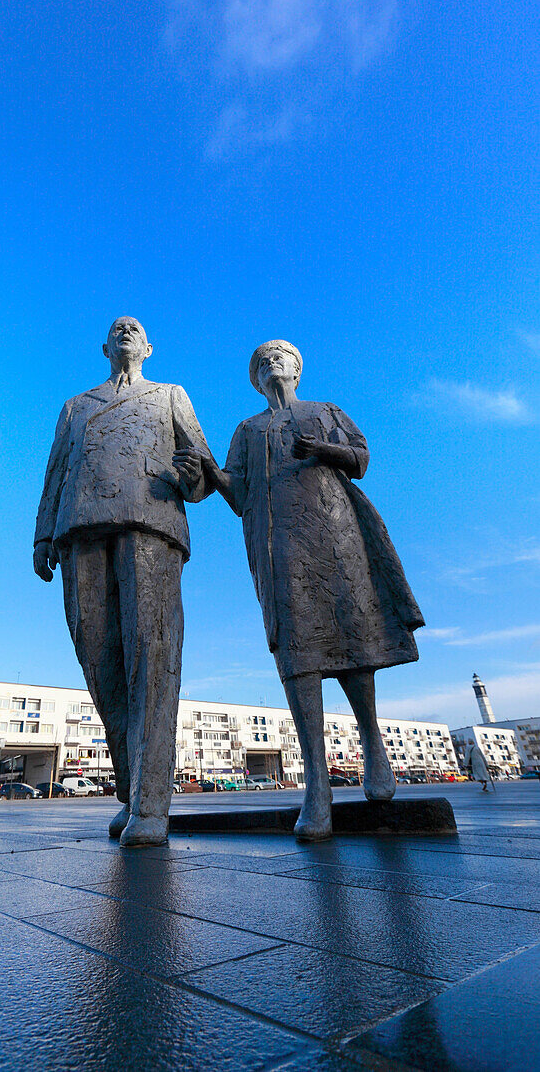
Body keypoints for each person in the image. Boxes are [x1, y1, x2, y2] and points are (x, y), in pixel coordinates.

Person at [174, 340, 424, 839]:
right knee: (297, 645)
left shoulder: (326, 411)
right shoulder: (248, 429)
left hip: (336, 529)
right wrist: (205, 469)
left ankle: (372, 740)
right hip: (279, 541)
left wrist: (324, 450)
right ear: (256, 378)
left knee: (353, 634)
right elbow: (240, 496)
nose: (271, 364)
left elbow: (361, 458)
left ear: (297, 368)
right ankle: (317, 784)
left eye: (279, 357)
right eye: (261, 361)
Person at [34, 317, 212, 846]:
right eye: (118, 328)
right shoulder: (76, 406)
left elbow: (199, 466)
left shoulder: (170, 394)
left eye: (136, 329)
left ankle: (152, 802)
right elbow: (55, 472)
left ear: (150, 347)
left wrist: (192, 476)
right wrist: (43, 535)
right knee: (98, 654)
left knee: (151, 653)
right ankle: (133, 790)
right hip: (79, 525)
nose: (128, 330)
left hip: (150, 518)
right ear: (104, 346)